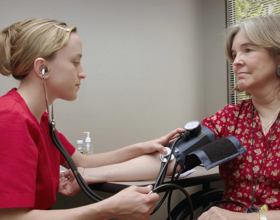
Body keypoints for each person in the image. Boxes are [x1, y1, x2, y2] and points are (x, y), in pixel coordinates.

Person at [0, 18, 184, 220]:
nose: (83, 73)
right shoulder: (11, 118)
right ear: (42, 68)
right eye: (75, 62)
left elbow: (82, 162)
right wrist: (110, 208)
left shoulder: (37, 118)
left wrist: (142, 147)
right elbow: (10, 217)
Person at [197, 14, 280, 220]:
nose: (236, 62)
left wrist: (243, 218)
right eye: (234, 54)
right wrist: (102, 172)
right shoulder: (232, 118)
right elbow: (178, 159)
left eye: (248, 50)